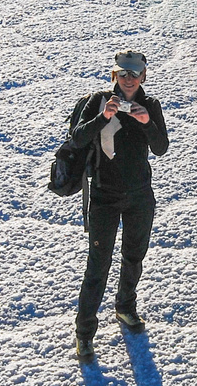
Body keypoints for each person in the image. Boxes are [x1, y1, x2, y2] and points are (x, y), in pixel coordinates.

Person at [69, 50, 168, 362]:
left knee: (134, 256)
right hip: (104, 196)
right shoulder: (99, 101)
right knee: (97, 266)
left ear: (143, 77)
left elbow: (161, 147)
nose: (128, 79)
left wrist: (146, 121)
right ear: (114, 75)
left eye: (134, 74)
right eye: (122, 73)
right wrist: (104, 117)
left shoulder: (150, 105)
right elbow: (78, 138)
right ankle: (84, 333)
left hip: (139, 195)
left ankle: (125, 306)